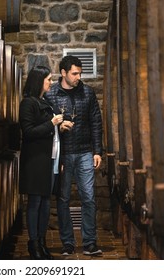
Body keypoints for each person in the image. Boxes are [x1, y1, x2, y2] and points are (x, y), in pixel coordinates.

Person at [44, 55, 103, 256]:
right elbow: (44, 124)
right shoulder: (51, 94)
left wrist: (97, 151)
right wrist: (58, 126)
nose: (78, 77)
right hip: (63, 155)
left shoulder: (87, 92)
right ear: (63, 73)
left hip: (85, 151)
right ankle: (68, 242)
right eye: (74, 73)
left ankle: (89, 242)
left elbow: (96, 123)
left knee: (88, 197)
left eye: (80, 73)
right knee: (63, 199)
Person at [19, 65, 63, 259]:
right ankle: (33, 244)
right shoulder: (28, 103)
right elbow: (28, 132)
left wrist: (60, 127)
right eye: (48, 79)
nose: (51, 83)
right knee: (35, 202)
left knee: (46, 202)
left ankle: (42, 243)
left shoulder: (44, 101)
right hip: (36, 160)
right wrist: (51, 123)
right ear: (39, 81)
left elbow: (48, 132)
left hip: (50, 159)